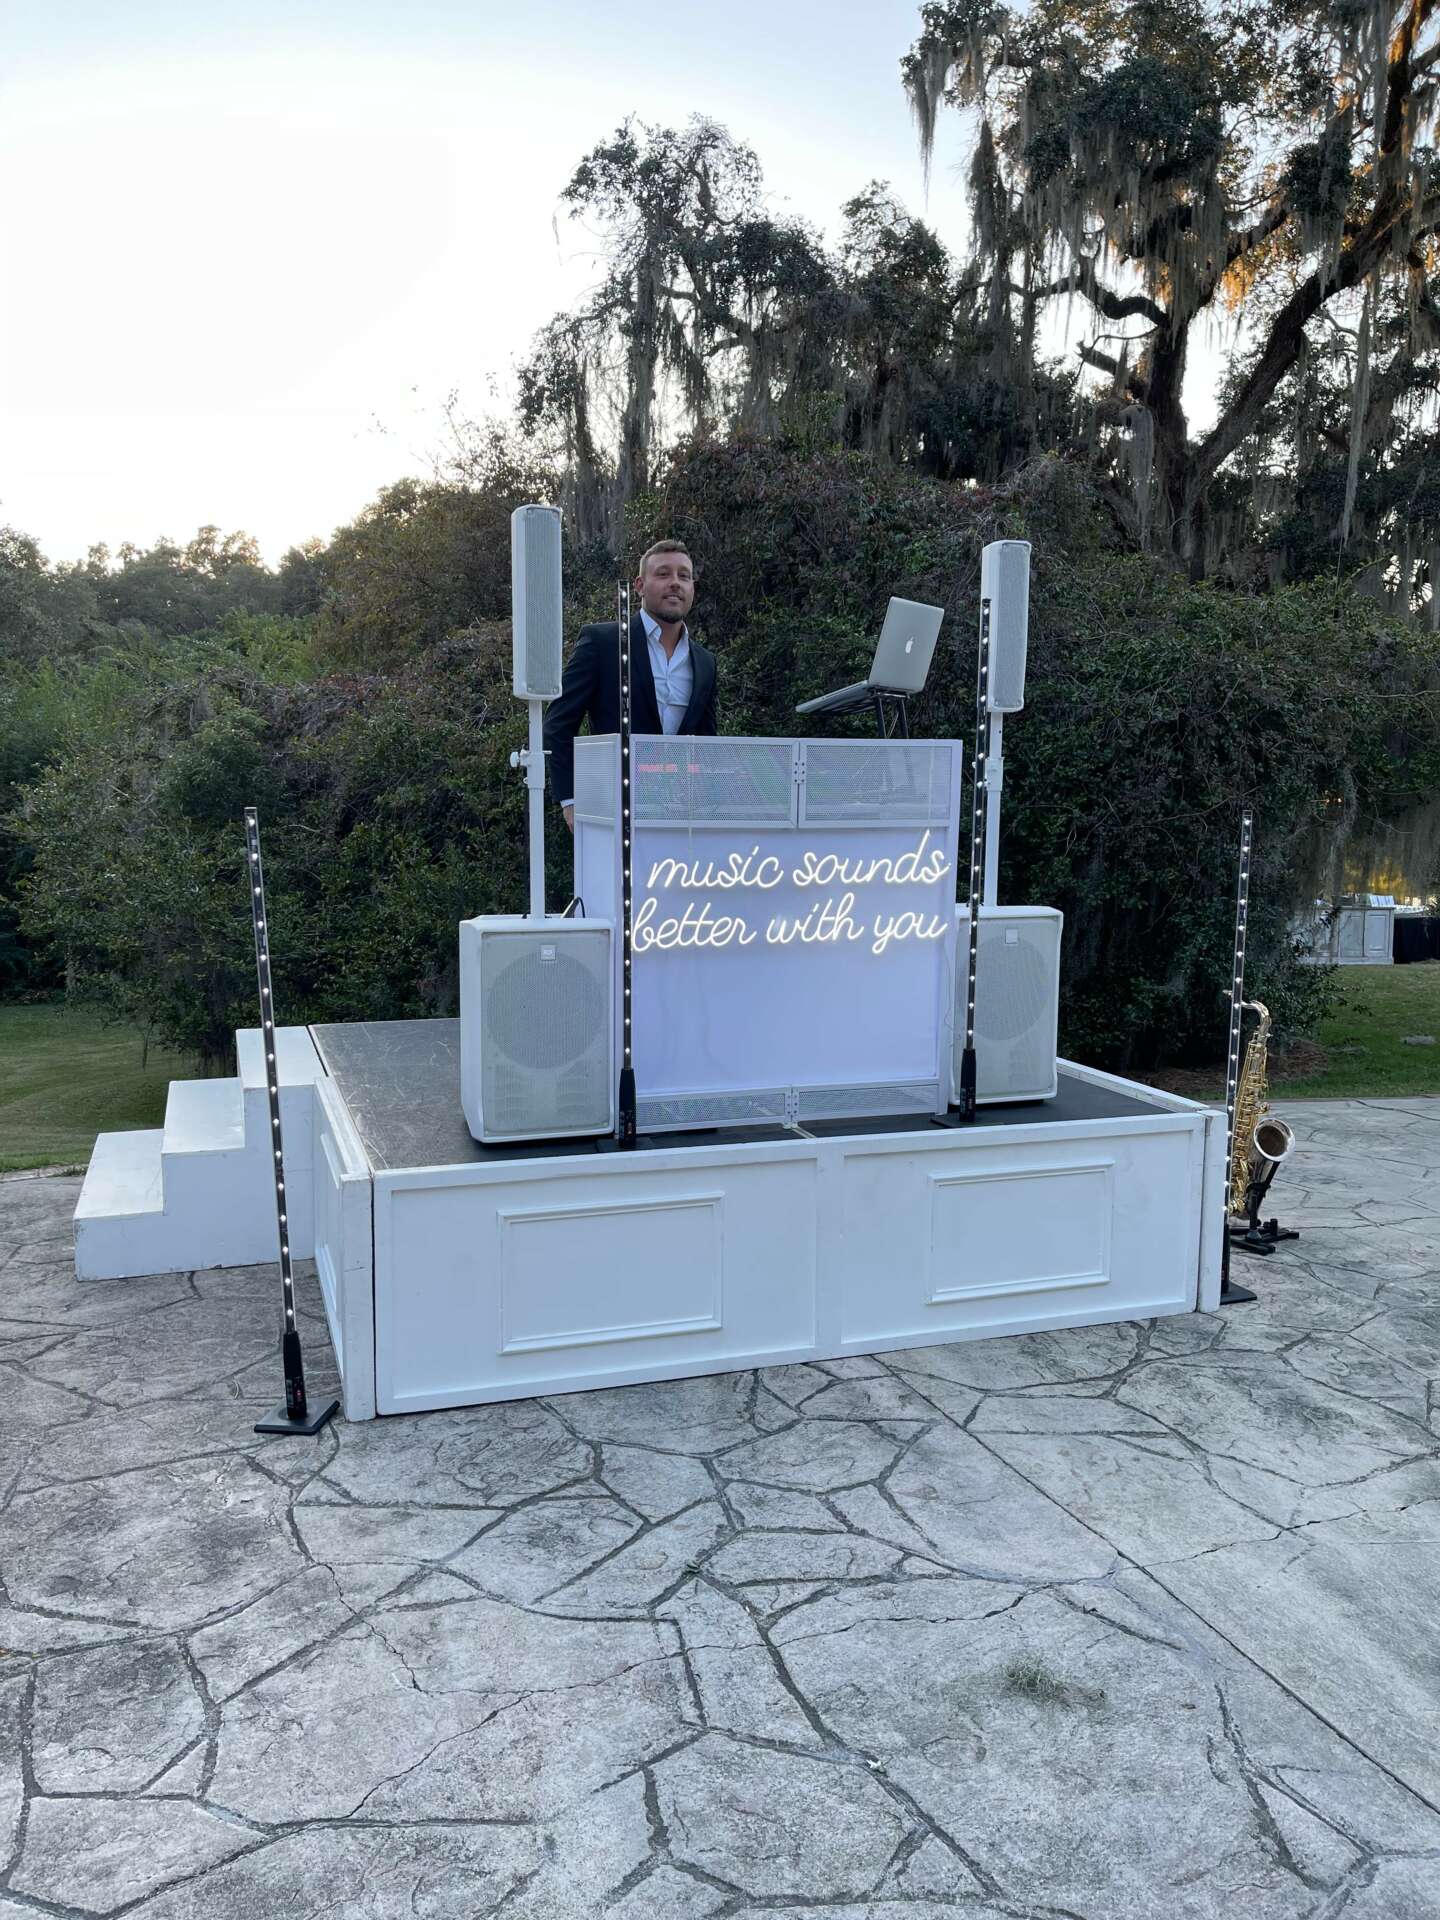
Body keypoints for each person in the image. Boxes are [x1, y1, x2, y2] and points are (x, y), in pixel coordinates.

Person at [544, 540, 719, 830]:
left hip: (682, 821)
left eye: (684, 576)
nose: (675, 583)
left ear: (692, 588)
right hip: (611, 813)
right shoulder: (602, 643)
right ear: (639, 585)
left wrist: (710, 804)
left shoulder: (705, 662)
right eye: (663, 574)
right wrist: (571, 800)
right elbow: (559, 723)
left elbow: (707, 744)